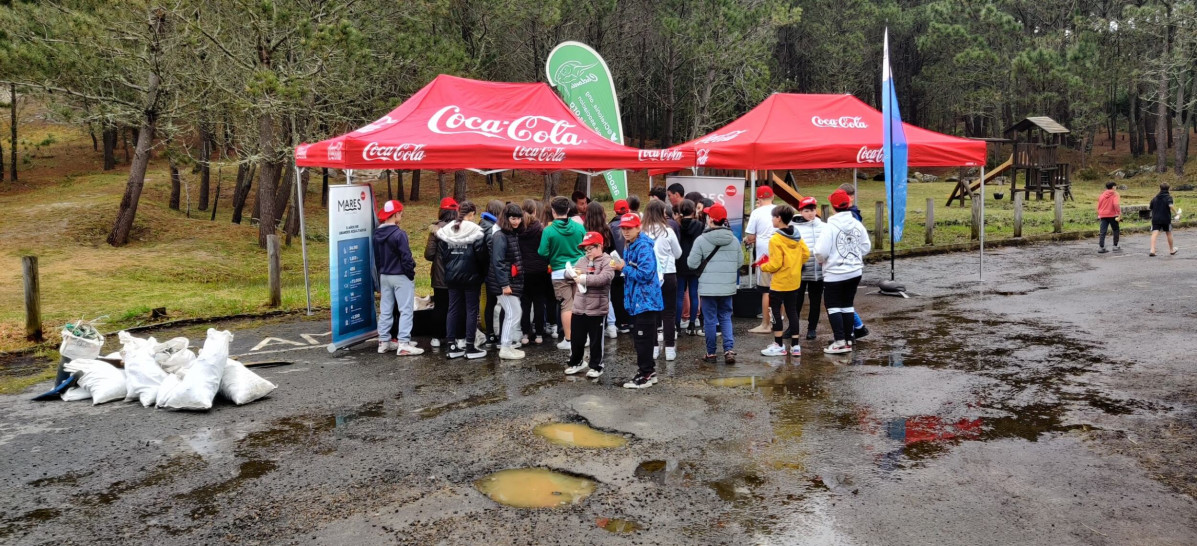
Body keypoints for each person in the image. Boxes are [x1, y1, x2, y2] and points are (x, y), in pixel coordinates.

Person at [814, 189, 871, 354]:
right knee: (847, 305)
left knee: (833, 306)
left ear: (833, 207)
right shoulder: (856, 223)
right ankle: (848, 338)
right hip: (854, 271)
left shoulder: (830, 227)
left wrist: (823, 260)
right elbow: (866, 246)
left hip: (835, 273)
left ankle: (839, 341)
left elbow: (820, 251)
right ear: (848, 204)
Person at [687, 204, 741, 365]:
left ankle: (711, 353)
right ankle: (729, 350)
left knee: (710, 320)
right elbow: (739, 263)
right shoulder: (734, 240)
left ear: (710, 219)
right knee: (725, 317)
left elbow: (691, 263)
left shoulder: (701, 240)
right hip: (727, 287)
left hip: (708, 288)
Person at [614, 213, 663, 388]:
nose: (625, 231)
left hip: (646, 300)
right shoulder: (630, 245)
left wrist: (624, 268)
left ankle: (646, 374)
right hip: (637, 300)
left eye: (629, 228)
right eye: (623, 228)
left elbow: (645, 274)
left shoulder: (643, 246)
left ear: (638, 227)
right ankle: (648, 371)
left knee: (643, 339)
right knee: (641, 339)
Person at [436, 201, 488, 359]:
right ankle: (470, 346)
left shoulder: (447, 229)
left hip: (451, 276)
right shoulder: (475, 230)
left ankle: (451, 345)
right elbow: (482, 255)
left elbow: (442, 253)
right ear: (471, 214)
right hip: (471, 276)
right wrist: (481, 272)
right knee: (471, 309)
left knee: (453, 308)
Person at [757, 204, 810, 357]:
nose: (772, 220)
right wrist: (795, 264)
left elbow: (775, 264)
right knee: (792, 311)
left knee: (775, 312)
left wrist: (763, 266)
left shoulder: (776, 239)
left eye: (773, 217)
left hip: (779, 283)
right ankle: (795, 346)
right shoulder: (797, 235)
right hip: (794, 280)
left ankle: (779, 344)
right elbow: (806, 254)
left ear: (778, 218)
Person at [373, 200, 423, 356]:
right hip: (400, 275)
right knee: (405, 310)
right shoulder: (399, 234)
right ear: (395, 215)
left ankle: (384, 341)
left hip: (385, 275)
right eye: (400, 213)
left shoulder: (376, 233)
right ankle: (403, 343)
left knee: (386, 309)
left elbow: (377, 257)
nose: (401, 215)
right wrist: (410, 273)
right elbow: (406, 257)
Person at [564, 232, 615, 378]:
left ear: (599, 246)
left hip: (597, 308)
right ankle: (576, 361)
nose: (588, 252)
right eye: (585, 249)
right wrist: (573, 273)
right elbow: (568, 275)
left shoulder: (607, 260)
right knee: (577, 338)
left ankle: (596, 365)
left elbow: (604, 278)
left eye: (590, 248)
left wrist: (584, 278)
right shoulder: (582, 260)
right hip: (579, 307)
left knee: (596, 340)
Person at [539, 196, 586, 349]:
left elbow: (542, 252)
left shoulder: (548, 230)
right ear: (568, 210)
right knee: (581, 304)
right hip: (578, 269)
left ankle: (569, 339)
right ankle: (583, 338)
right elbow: (586, 246)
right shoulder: (579, 227)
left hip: (559, 272)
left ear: (553, 211)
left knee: (567, 305)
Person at [644, 200, 682, 361]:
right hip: (668, 273)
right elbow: (678, 253)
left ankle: (653, 347)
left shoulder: (642, 232)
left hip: (649, 275)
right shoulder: (668, 231)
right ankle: (670, 348)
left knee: (652, 313)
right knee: (669, 313)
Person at [490, 204, 526, 360]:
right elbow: (498, 262)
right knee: (513, 313)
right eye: (513, 218)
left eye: (518, 218)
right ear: (506, 218)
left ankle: (507, 345)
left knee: (514, 312)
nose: (516, 221)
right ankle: (505, 347)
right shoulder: (500, 235)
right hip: (504, 283)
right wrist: (504, 284)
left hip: (509, 280)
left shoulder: (510, 233)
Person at [836, 183, 870, 340]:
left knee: (843, 302)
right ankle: (857, 327)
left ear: (851, 197)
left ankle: (853, 330)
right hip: (851, 262)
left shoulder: (852, 216)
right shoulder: (852, 214)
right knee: (845, 301)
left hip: (847, 263)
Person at [424, 197, 458, 348]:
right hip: (458, 275)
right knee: (455, 306)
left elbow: (429, 254)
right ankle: (456, 336)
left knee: (440, 306)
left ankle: (436, 338)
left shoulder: (435, 230)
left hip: (439, 276)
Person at [745, 185, 778, 334]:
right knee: (780, 289)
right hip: (780, 253)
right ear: (773, 197)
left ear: (758, 198)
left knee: (766, 290)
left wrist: (753, 238)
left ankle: (766, 324)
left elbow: (750, 237)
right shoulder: (779, 210)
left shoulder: (756, 213)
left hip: (764, 255)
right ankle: (779, 320)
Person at [792, 197, 826, 340]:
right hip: (800, 270)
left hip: (818, 271)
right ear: (801, 211)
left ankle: (812, 328)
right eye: (806, 211)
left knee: (815, 300)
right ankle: (793, 328)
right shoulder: (794, 227)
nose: (810, 214)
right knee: (796, 301)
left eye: (812, 210)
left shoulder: (823, 226)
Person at [584, 202, 618, 338]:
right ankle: (611, 326)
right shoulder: (606, 229)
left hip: (589, 266)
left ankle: (593, 327)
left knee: (589, 297)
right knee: (606, 297)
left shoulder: (584, 230)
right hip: (605, 265)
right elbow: (613, 250)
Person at [519, 199, 550, 345]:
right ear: (535, 211)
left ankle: (525, 334)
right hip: (540, 270)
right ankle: (539, 334)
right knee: (539, 302)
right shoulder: (540, 229)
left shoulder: (518, 228)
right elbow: (545, 249)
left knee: (524, 304)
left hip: (523, 270)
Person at [675, 199, 703, 335]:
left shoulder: (677, 225)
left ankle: (677, 325)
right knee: (693, 294)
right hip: (695, 262)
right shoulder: (699, 225)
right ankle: (692, 324)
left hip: (680, 263)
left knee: (679, 295)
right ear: (693, 210)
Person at [479, 200, 504, 348]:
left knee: (489, 302)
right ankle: (491, 334)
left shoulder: (482, 224)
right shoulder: (490, 228)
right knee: (493, 302)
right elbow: (492, 251)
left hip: (485, 270)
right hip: (491, 271)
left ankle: (489, 333)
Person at [609, 199, 631, 333]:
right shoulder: (633, 225)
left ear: (614, 211)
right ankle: (630, 321)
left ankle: (621, 322)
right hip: (631, 265)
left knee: (617, 295)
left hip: (616, 265)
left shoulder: (610, 226)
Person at [1149, 182, 1179, 257]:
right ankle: (1171, 250)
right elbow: (1170, 205)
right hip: (1165, 218)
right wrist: (1176, 213)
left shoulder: (1155, 198)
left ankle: (1152, 250)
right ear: (1169, 188)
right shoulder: (1168, 197)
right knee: (1168, 233)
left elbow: (1151, 207)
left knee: (1154, 233)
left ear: (1160, 188)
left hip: (1155, 218)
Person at [1096, 181, 1122, 254]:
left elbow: (1099, 204)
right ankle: (1115, 246)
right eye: (1115, 186)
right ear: (1113, 187)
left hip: (1103, 214)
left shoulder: (1102, 194)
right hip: (1113, 214)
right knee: (1116, 229)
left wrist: (1099, 213)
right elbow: (1116, 204)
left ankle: (1101, 247)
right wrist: (1119, 212)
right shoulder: (1115, 194)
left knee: (1102, 231)